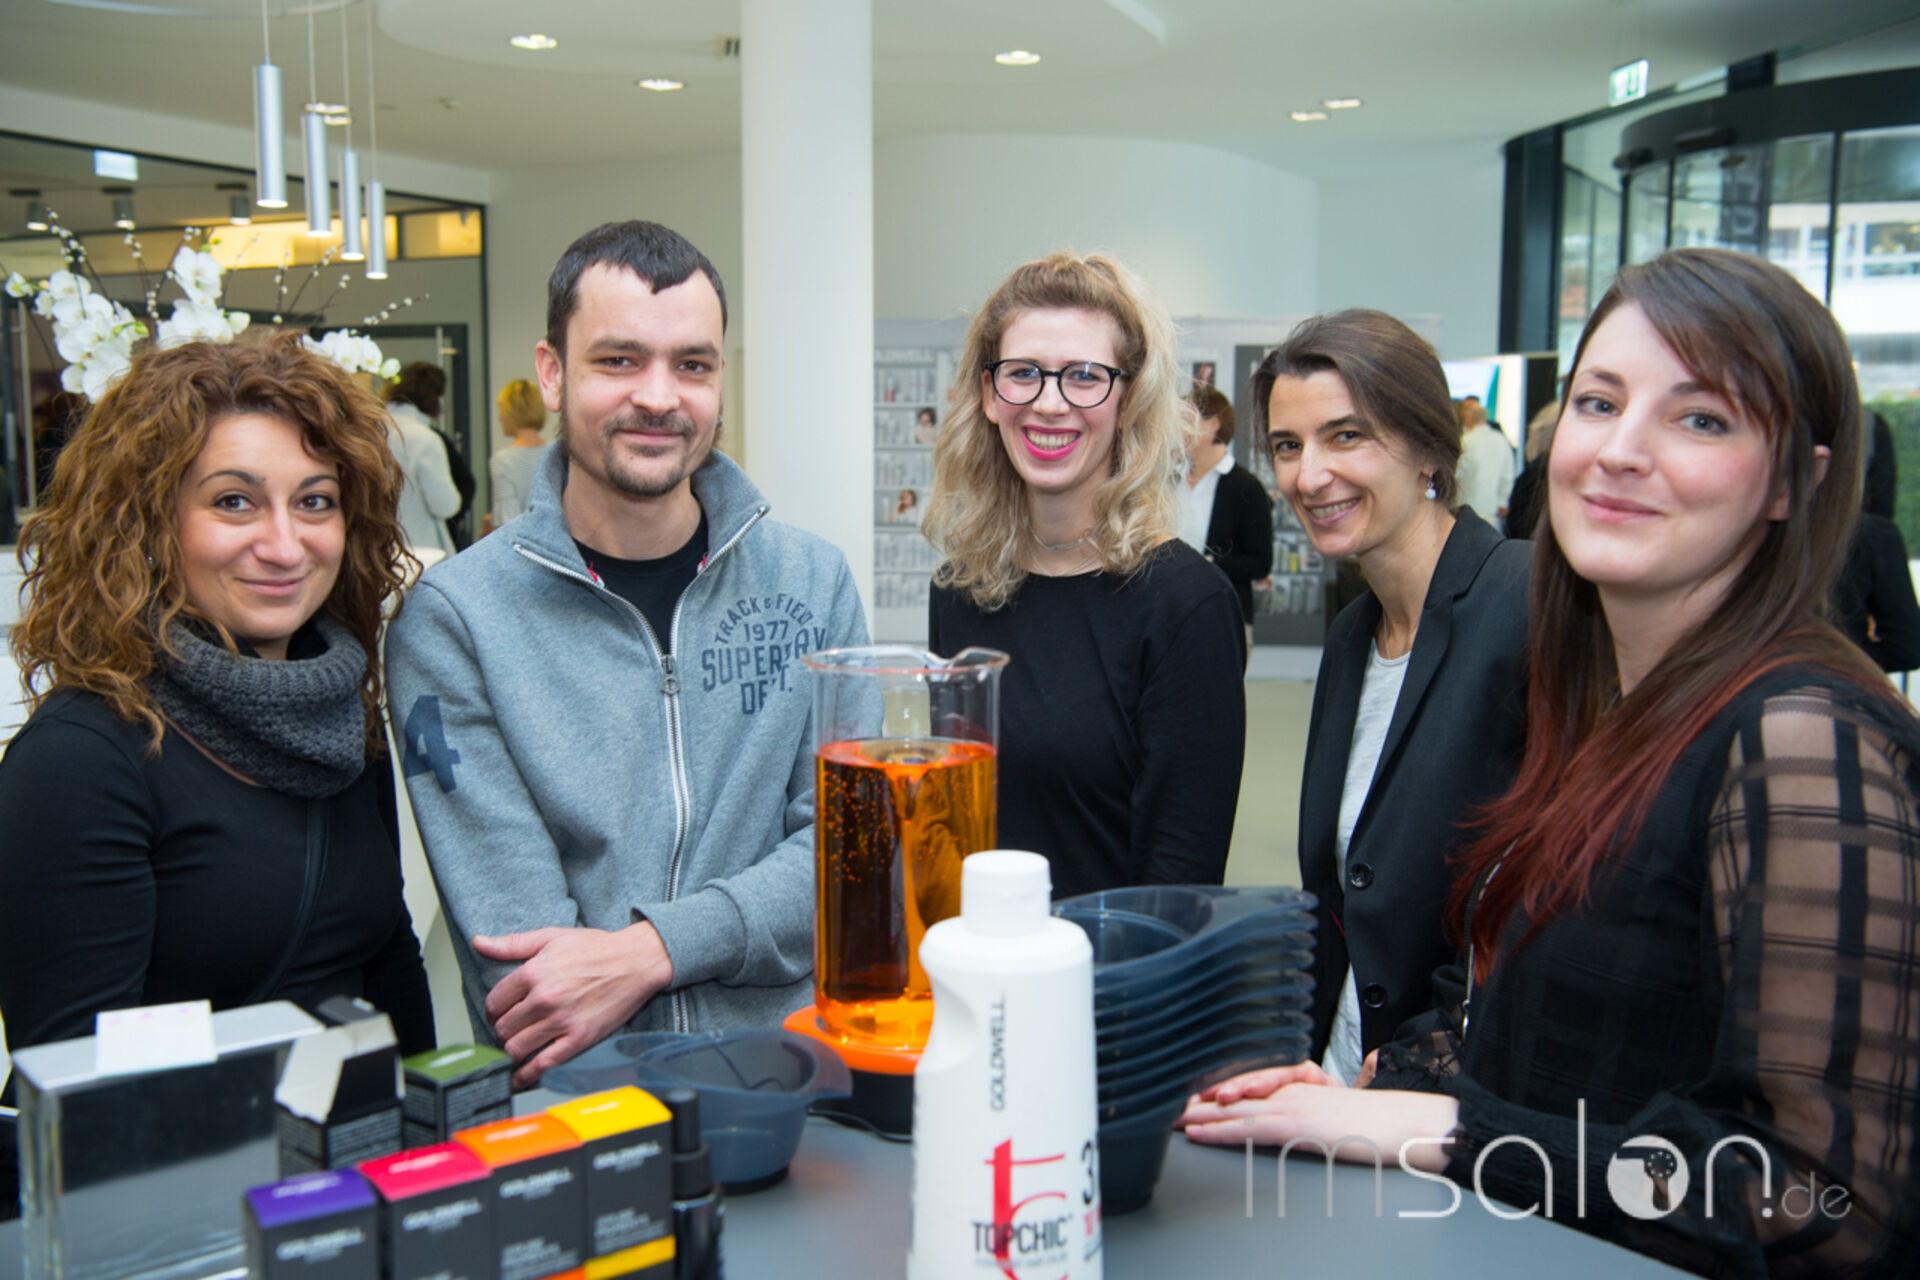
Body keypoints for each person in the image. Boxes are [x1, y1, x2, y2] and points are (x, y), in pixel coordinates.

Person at [1182, 249, 1920, 1277]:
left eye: (1700, 418)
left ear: (1797, 480)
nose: (1621, 450)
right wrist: (1370, 1088)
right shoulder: (1617, 699)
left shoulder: (1803, 732)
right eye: (1598, 402)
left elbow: (1816, 1200)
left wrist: (1441, 1129)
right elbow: (1539, 1018)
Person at [384, 220, 868, 1086]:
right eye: (619, 360)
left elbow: (853, 854)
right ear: (551, 372)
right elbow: (527, 972)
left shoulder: (811, 583)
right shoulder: (456, 622)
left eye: (693, 364)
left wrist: (653, 952)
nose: (659, 396)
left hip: (801, 1082)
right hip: (588, 1111)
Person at [0, 337, 434, 1082]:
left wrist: (432, 1133)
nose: (284, 546)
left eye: (315, 501)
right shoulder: (80, 758)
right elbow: (82, 1086)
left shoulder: (339, 715)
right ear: (148, 522)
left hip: (349, 1148)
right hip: (182, 1153)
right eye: (234, 501)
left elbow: (386, 960)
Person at [1254, 309, 1529, 1084]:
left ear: (1426, 446)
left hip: (1455, 1095)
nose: (1309, 476)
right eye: (1287, 445)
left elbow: (1553, 898)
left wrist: (1416, 1063)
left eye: (1346, 436)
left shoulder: (1522, 601)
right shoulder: (1353, 637)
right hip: (1341, 1075)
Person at [922, 251, 1245, 900]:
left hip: (1112, 966)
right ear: (988, 395)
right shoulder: (959, 590)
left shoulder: (1186, 607)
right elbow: (955, 827)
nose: (1049, 403)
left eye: (1084, 376)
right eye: (1023, 373)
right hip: (978, 954)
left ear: (1128, 400)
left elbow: (1176, 892)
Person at [1176, 385, 1274, 650]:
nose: (1177, 428)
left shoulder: (1246, 488)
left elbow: (1260, 563)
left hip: (1224, 617)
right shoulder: (1167, 479)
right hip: (1168, 614)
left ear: (1213, 425)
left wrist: (1208, 563)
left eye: (1185, 419)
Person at [385, 362, 462, 560]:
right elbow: (444, 505)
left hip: (377, 549)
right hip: (421, 552)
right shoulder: (426, 440)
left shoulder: (372, 430)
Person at [487, 377, 547, 532]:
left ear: (511, 412)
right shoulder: (559, 452)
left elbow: (508, 524)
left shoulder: (503, 461)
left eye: (502, 409)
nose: (500, 417)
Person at [1453, 396, 1514, 522]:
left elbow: (1458, 473)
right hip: (1491, 509)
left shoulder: (1466, 441)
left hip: (1466, 507)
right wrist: (1502, 500)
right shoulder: (1501, 439)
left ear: (1469, 419)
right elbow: (1508, 473)